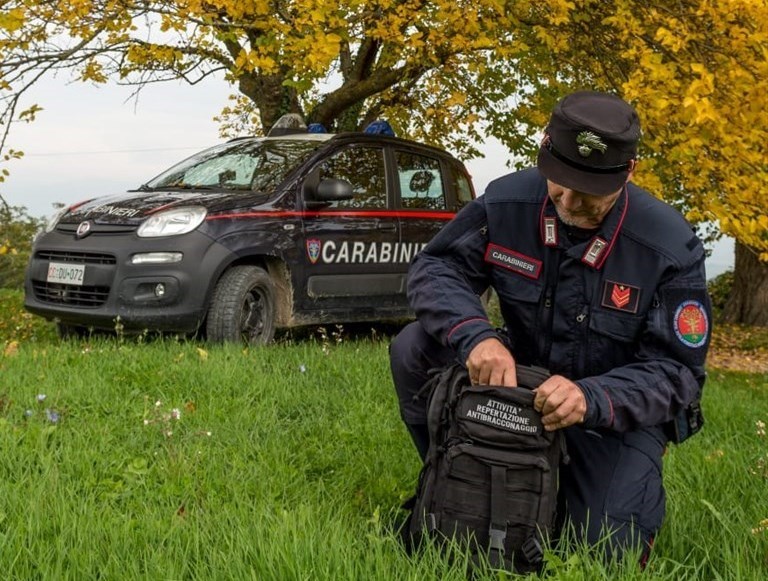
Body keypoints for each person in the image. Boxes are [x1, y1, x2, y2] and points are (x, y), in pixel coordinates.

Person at [389, 90, 711, 562]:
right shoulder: (506, 201)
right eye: (560, 181)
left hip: (609, 413)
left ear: (629, 172)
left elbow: (677, 373)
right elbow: (436, 269)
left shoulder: (668, 246)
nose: (570, 201)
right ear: (543, 151)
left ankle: (573, 492)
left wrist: (593, 397)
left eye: (589, 189)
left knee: (600, 551)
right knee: (413, 347)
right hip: (520, 385)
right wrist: (476, 336)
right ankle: (459, 467)